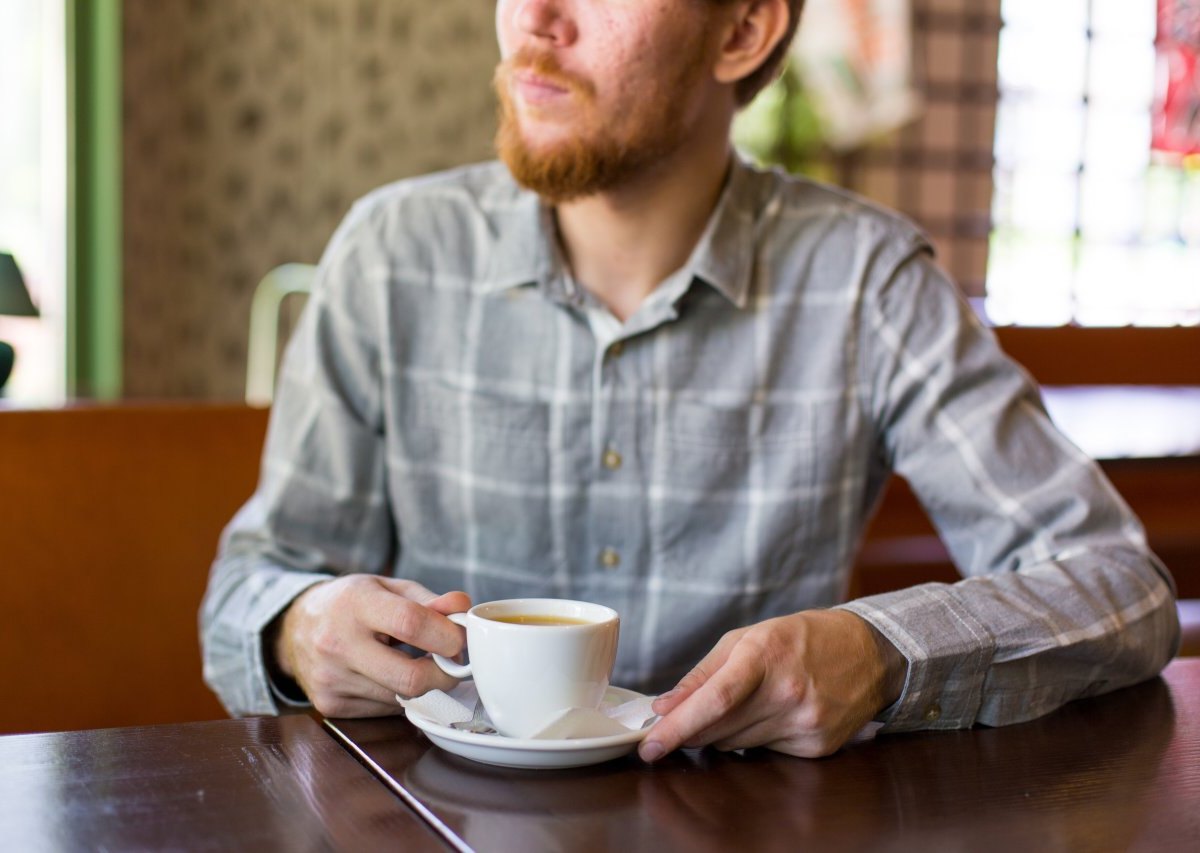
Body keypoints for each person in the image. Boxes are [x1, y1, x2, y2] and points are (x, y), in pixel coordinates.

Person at [201, 0, 1181, 763]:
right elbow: (249, 586)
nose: (534, 20)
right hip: (425, 819)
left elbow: (1122, 592)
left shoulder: (864, 281)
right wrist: (298, 628)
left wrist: (878, 653)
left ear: (744, 29)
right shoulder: (391, 255)